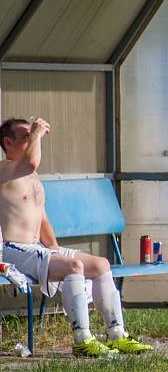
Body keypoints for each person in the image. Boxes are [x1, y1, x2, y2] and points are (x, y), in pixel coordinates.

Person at [0, 117, 152, 357]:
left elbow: (43, 220)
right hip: (12, 250)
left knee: (100, 265)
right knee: (74, 267)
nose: (32, 140)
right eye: (26, 137)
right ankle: (82, 338)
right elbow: (30, 162)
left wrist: (55, 250)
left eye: (33, 135)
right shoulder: (6, 169)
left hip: (36, 248)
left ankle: (117, 334)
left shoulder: (32, 177)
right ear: (8, 142)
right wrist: (38, 134)